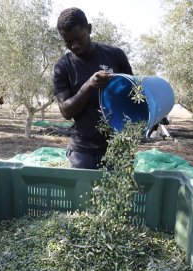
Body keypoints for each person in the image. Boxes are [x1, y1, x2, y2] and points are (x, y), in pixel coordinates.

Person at [53, 7, 133, 169]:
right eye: (68, 41)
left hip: (117, 146)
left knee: (117, 193)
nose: (74, 45)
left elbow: (133, 93)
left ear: (89, 29)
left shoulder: (115, 55)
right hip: (82, 150)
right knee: (80, 193)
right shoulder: (63, 67)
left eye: (79, 38)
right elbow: (66, 111)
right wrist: (89, 85)